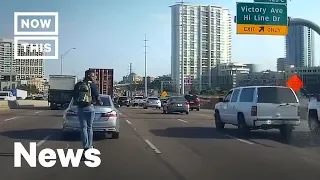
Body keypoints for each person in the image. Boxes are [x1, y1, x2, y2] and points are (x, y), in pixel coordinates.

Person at [72, 70, 102, 159]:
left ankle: (86, 147)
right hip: (90, 108)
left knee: (83, 128)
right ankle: (90, 145)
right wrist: (99, 102)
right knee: (90, 127)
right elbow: (98, 98)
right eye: (93, 76)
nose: (95, 77)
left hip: (81, 108)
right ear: (89, 76)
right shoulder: (92, 85)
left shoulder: (78, 85)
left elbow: (73, 96)